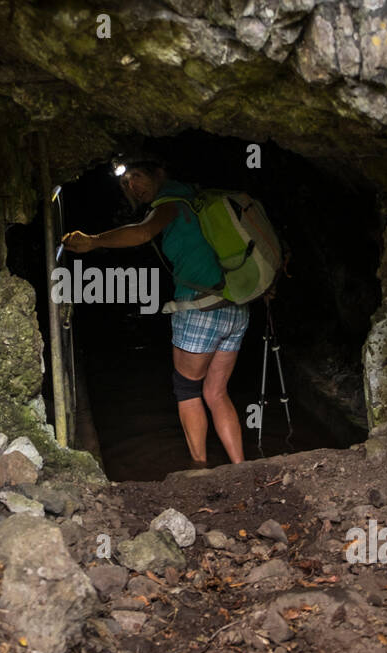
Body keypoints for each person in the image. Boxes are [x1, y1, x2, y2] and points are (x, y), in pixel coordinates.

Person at [62, 158, 248, 467]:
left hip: (201, 308)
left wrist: (93, 241)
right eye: (126, 182)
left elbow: (142, 232)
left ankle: (200, 469)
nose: (133, 185)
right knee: (216, 392)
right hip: (235, 307)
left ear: (160, 172)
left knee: (187, 388)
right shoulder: (199, 197)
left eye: (137, 175)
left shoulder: (172, 200)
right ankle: (240, 467)